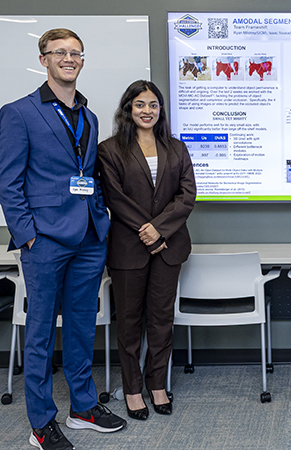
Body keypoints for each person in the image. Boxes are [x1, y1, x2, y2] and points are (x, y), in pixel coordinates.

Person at [0, 28, 126, 450]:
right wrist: (28, 236)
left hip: (88, 237)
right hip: (45, 241)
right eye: (60, 53)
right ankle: (41, 424)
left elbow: (89, 176)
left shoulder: (88, 116)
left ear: (82, 61)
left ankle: (83, 407)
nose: (69, 59)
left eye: (76, 53)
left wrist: (100, 219)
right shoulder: (19, 112)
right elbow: (7, 183)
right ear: (43, 58)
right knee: (40, 333)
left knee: (82, 327)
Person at [97, 80, 196, 421]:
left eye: (153, 105)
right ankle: (132, 389)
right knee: (128, 323)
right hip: (129, 248)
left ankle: (157, 385)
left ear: (161, 110)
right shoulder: (109, 150)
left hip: (169, 247)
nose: (147, 111)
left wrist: (161, 229)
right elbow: (114, 198)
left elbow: (187, 196)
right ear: (128, 109)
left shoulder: (177, 148)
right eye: (140, 104)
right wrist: (151, 232)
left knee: (161, 320)